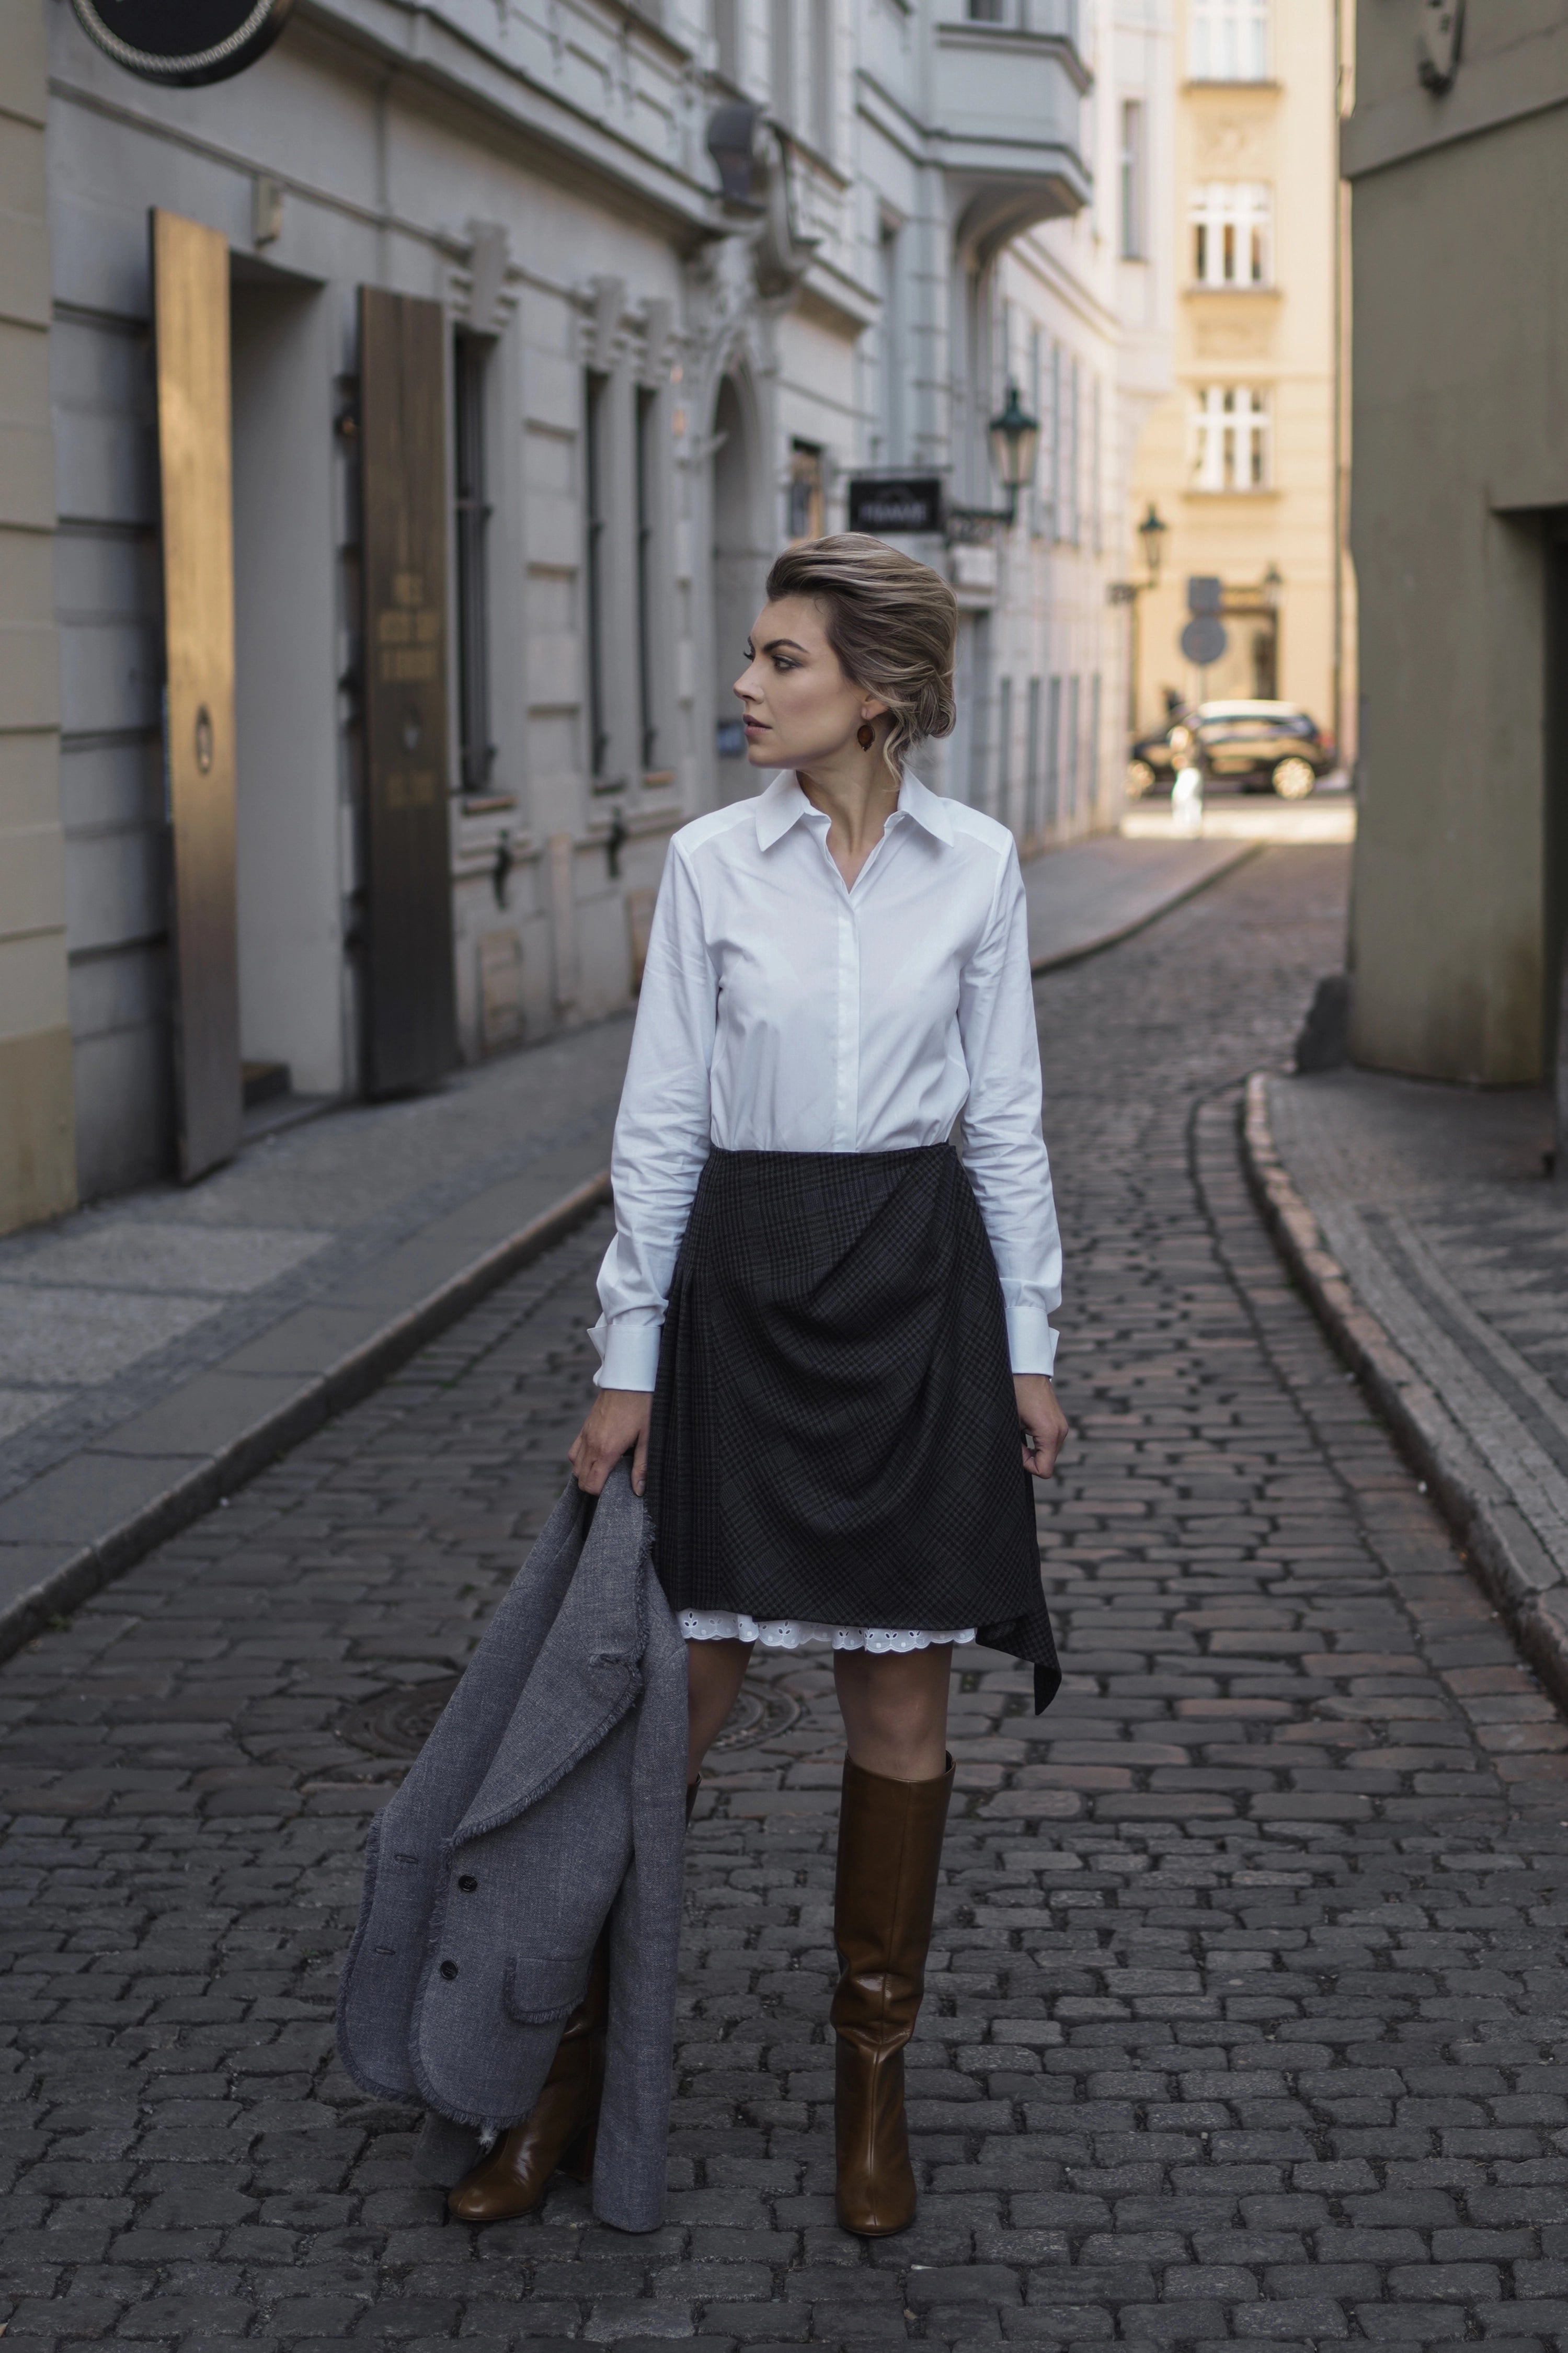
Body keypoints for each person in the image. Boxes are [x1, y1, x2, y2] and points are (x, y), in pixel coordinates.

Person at [454, 532, 1067, 2240]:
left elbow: (1004, 1114)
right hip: (741, 1296)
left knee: (901, 1709)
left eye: (781, 660)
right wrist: (622, 1360)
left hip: (915, 1298)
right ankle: (557, 2080)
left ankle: (873, 2083)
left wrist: (1032, 1341)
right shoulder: (713, 862)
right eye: (752, 655)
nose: (746, 685)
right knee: (664, 1707)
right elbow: (659, 1126)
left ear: (876, 687)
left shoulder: (980, 864)